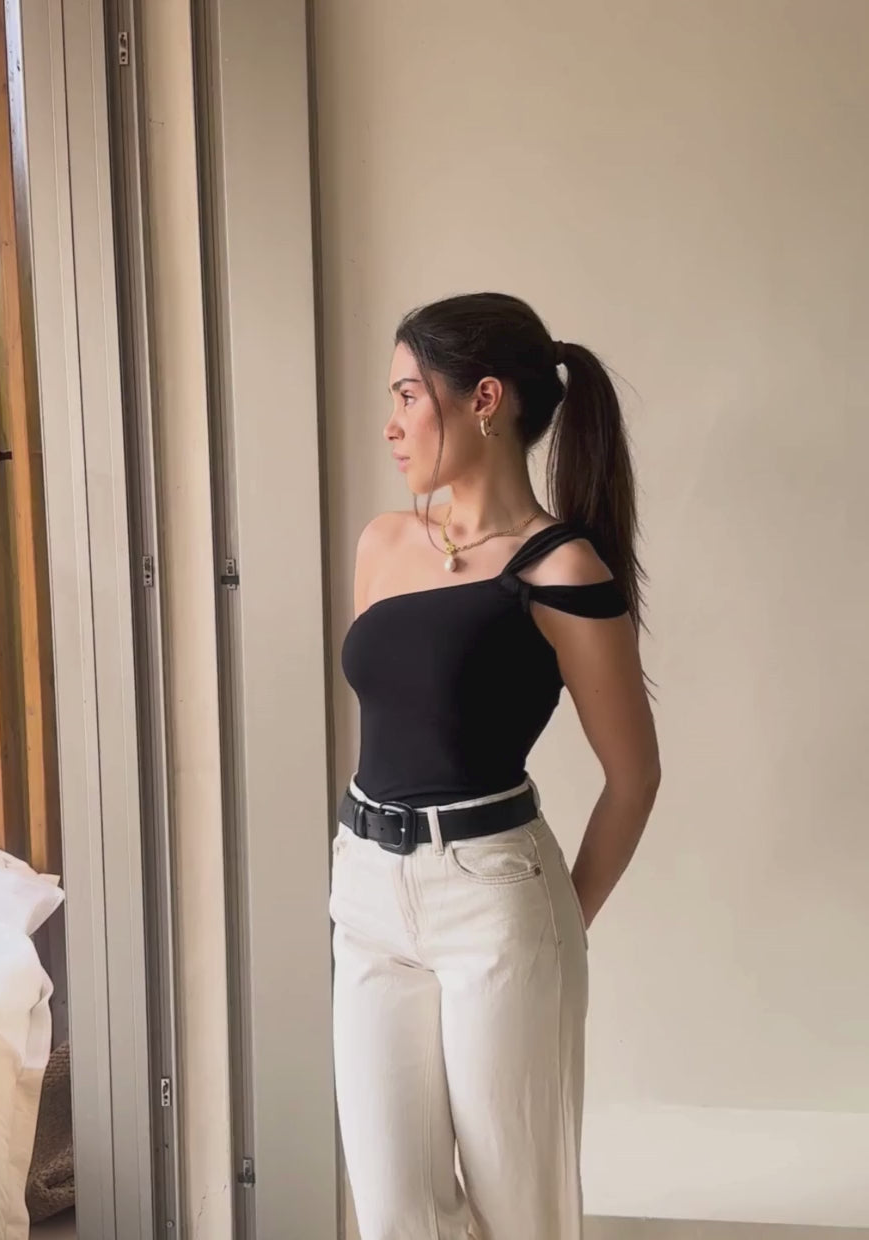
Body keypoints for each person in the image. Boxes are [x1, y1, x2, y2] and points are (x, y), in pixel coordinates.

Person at [330, 292, 661, 1240]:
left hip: (495, 899)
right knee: (395, 1216)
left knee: (521, 1213)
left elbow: (634, 776)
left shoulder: (562, 571)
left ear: (484, 399)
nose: (391, 424)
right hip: (366, 891)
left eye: (407, 394)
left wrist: (558, 927)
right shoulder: (385, 543)